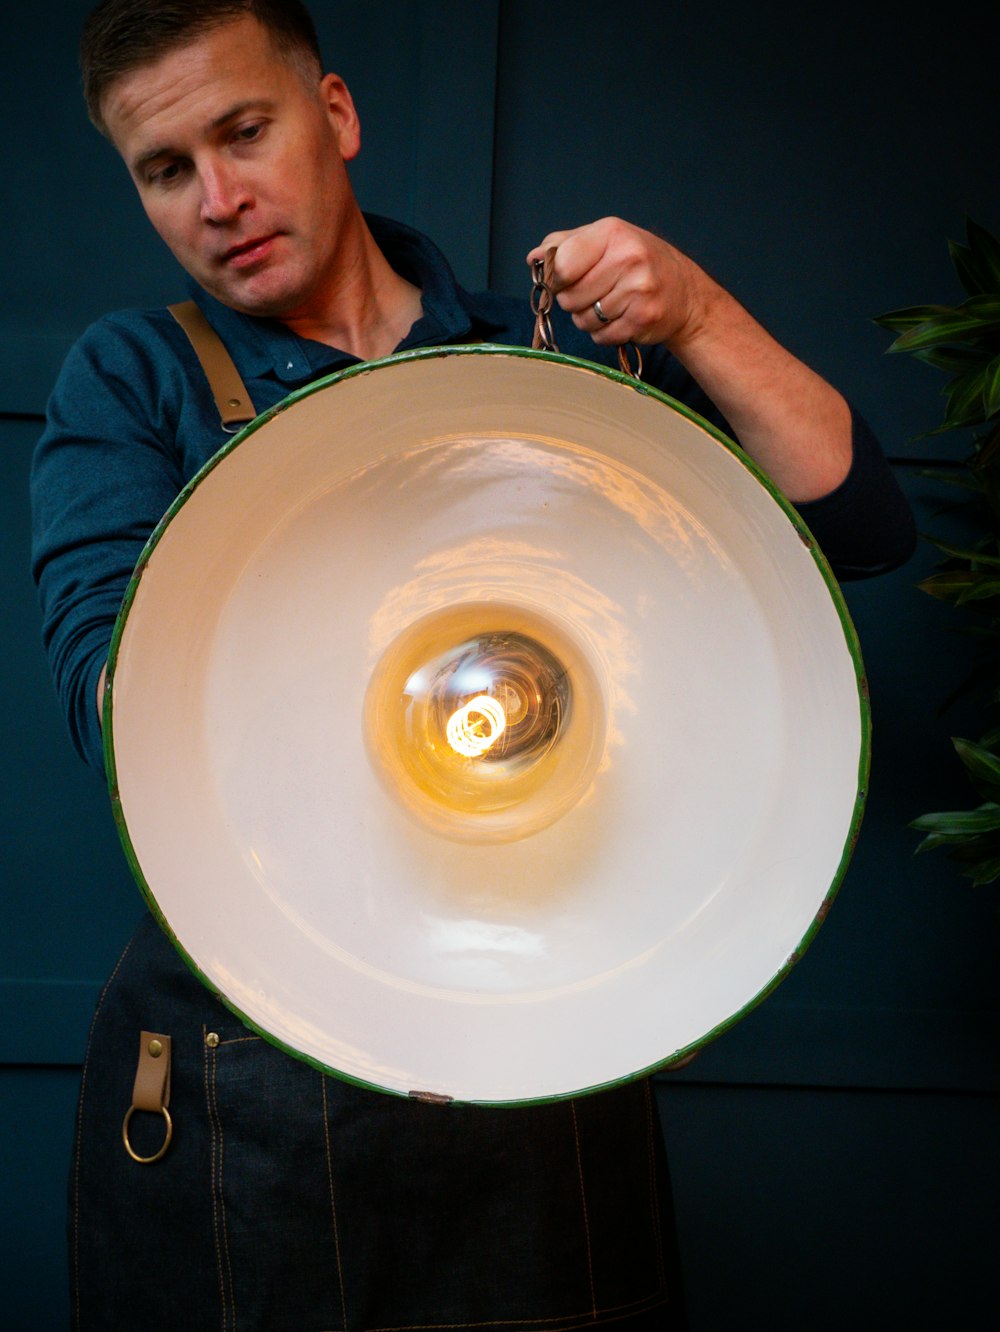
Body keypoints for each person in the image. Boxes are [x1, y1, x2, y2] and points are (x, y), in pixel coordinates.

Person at [31, 1, 916, 1328]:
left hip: (540, 1045)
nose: (218, 198)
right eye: (166, 168)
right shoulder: (133, 377)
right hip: (244, 1084)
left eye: (244, 131)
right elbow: (110, 711)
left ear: (333, 115)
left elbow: (859, 526)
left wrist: (697, 311)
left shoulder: (548, 364)